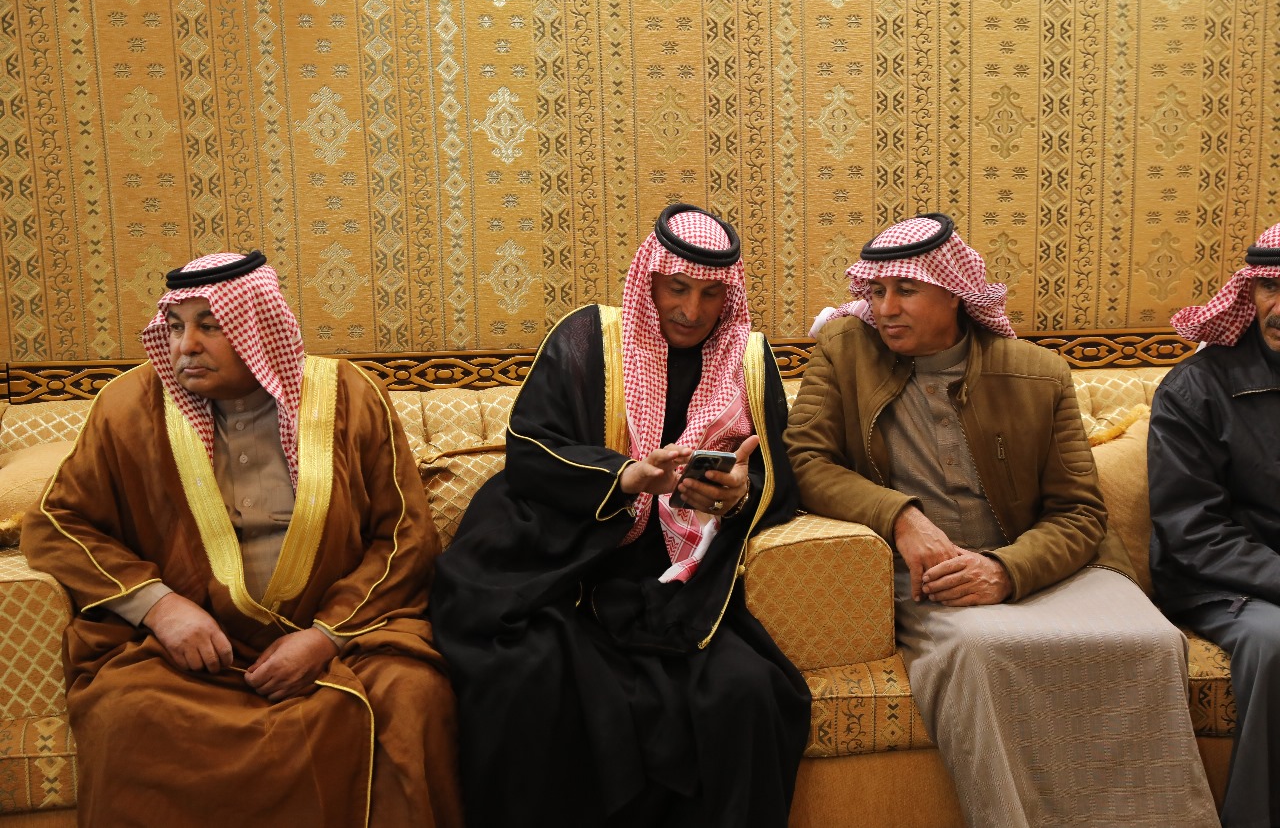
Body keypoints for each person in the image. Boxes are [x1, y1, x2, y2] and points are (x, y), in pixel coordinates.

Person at [787, 214, 1217, 828]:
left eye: (905, 290)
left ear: (955, 293)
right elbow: (806, 461)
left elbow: (1078, 512)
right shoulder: (844, 351)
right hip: (930, 575)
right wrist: (900, 517)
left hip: (1047, 565)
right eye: (876, 291)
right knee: (986, 648)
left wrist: (1006, 570)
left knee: (1151, 642)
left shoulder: (1037, 373)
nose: (885, 308)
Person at [21, 251, 462, 827]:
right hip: (189, 655)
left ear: (258, 327)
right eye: (174, 327)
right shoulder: (128, 408)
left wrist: (325, 637)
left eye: (210, 325)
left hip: (344, 638)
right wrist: (159, 607)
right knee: (126, 712)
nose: (185, 346)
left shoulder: (350, 396)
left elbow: (404, 535)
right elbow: (57, 522)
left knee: (412, 695)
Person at [429, 204, 810, 827]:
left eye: (711, 294)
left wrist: (738, 493)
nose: (692, 310)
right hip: (556, 560)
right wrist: (628, 476)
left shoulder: (746, 358)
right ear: (649, 279)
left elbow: (780, 475)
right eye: (676, 288)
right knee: (525, 678)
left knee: (749, 692)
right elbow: (529, 448)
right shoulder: (587, 338)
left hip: (672, 581)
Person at [1149, 220, 1280, 828]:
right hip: (1222, 582)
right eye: (1271, 288)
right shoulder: (1196, 388)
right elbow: (1192, 531)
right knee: (1275, 642)